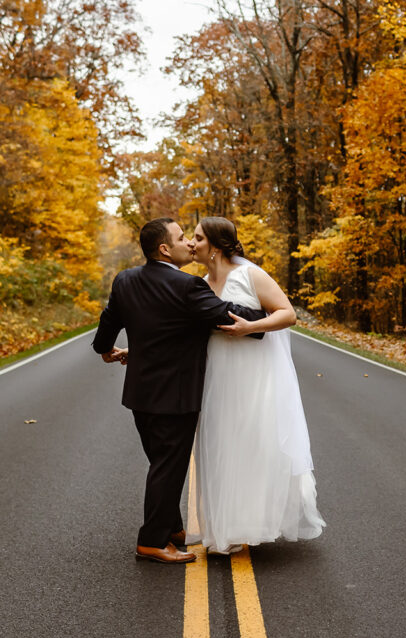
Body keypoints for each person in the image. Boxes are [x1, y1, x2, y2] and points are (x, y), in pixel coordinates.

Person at [92, 217, 266, 564]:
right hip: (176, 395)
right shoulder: (187, 287)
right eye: (182, 237)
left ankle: (172, 529)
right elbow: (227, 316)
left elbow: (109, 320)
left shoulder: (125, 280)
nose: (189, 243)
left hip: (141, 395)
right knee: (168, 468)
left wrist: (104, 348)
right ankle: (152, 542)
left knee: (162, 464)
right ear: (164, 248)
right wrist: (262, 318)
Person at [189, 216, 325, 554]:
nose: (191, 244)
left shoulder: (250, 275)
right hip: (217, 375)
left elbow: (287, 314)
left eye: (197, 238)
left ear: (215, 247)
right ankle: (222, 527)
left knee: (251, 445)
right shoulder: (200, 284)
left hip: (253, 375)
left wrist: (250, 328)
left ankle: (245, 526)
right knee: (221, 446)